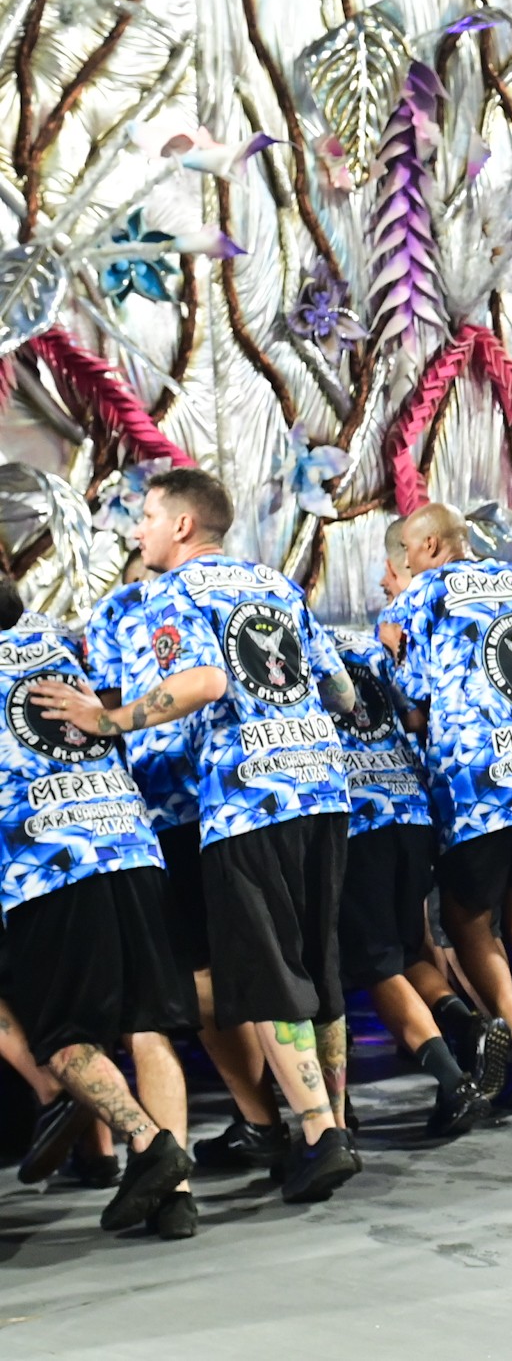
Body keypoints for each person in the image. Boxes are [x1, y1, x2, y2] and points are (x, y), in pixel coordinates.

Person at [36, 467, 363, 1205]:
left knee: (271, 975)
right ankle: (333, 1124)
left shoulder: (170, 592)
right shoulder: (275, 584)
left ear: (183, 525)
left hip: (247, 800)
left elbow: (204, 682)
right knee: (318, 969)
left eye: (147, 517)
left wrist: (105, 720)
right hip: (321, 788)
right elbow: (340, 691)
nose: (138, 531)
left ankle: (319, 1135)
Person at [4, 577, 200, 1238]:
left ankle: (150, 1143)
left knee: (63, 1039)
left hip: (50, 864)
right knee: (149, 1025)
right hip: (131, 844)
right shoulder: (54, 640)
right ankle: (174, 1199)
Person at [84, 558, 283, 1172]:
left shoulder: (129, 607)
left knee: (202, 971)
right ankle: (303, 1115)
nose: (140, 529)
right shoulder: (245, 587)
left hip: (192, 804)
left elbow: (106, 712)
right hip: (228, 798)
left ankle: (270, 1119)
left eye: (148, 516)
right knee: (257, 960)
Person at [383, 502, 512, 1111]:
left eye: (407, 552)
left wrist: (392, 652)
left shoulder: (420, 597)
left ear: (431, 545)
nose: (405, 565)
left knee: (468, 919)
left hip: (477, 782)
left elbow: (413, 695)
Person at [326, 621, 496, 1136]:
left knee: (373, 964)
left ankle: (453, 1082)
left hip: (360, 816)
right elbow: (414, 716)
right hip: (409, 807)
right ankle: (466, 1025)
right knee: (404, 951)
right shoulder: (366, 645)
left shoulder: (304, 647)